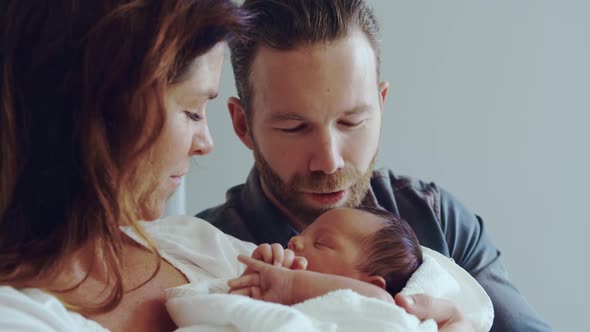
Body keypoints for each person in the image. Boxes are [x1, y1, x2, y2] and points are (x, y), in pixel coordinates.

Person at [196, 0, 553, 331]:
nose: (329, 161)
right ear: (243, 125)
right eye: (294, 127)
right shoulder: (197, 249)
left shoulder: (438, 220)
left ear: (380, 106)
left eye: (351, 122)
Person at [0, 1, 256, 331]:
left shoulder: (200, 243)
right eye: (193, 111)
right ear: (107, 107)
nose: (206, 144)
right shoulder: (16, 316)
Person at [230, 206, 423, 304]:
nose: (294, 241)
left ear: (368, 284)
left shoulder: (369, 307)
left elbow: (382, 300)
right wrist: (252, 282)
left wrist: (290, 285)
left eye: (320, 243)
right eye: (303, 233)